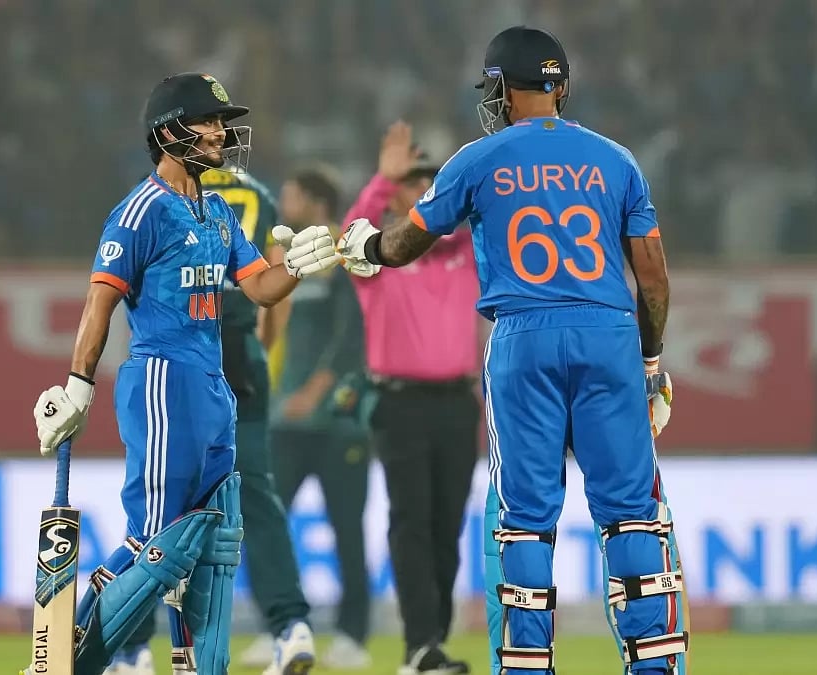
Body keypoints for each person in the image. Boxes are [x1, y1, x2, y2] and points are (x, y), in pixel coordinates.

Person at [337, 26, 684, 675]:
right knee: (632, 513)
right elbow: (655, 277)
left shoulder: (477, 159)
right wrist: (650, 359)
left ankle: (527, 664)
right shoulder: (616, 160)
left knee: (526, 517)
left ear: (501, 88)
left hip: (523, 337)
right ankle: (652, 664)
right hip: (609, 333)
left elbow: (410, 242)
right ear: (562, 87)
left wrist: (366, 248)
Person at [24, 72, 341, 675]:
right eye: (209, 121)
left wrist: (296, 264)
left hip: (215, 387)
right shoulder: (140, 211)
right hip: (163, 384)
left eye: (223, 121)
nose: (223, 132)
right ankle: (64, 657)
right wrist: (78, 386)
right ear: (169, 133)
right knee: (156, 545)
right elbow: (100, 301)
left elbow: (261, 288)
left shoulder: (218, 211)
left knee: (216, 543)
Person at [110, 166, 320, 675]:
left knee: (157, 504)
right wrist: (258, 352)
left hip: (180, 353)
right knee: (254, 497)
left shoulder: (155, 196)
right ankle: (289, 626)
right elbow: (273, 290)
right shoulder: (256, 190)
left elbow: (125, 287)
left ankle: (132, 644)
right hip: (238, 357)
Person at [340, 123, 480, 675]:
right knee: (412, 523)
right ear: (398, 195)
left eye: (432, 184)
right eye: (414, 184)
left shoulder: (466, 251)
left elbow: (494, 216)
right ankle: (419, 647)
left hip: (456, 404)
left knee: (446, 528)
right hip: (399, 405)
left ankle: (431, 646)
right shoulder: (379, 258)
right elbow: (351, 235)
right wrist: (381, 179)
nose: (424, 192)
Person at [271, 167, 373, 670]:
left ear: (315, 202)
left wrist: (315, 391)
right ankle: (285, 628)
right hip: (284, 422)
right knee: (268, 523)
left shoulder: (344, 254)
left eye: (289, 194)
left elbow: (352, 335)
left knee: (347, 530)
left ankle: (353, 635)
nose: (282, 202)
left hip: (337, 423)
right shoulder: (289, 257)